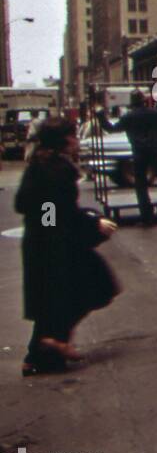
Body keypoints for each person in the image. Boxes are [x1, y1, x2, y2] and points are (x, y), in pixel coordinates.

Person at [15, 117, 120, 376]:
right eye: (73, 136)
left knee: (53, 299)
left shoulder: (38, 165)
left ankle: (39, 354)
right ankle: (54, 343)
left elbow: (27, 205)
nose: (77, 141)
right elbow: (55, 211)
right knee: (97, 285)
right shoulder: (55, 170)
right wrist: (93, 224)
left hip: (44, 241)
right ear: (63, 141)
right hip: (55, 244)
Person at [97, 90, 157, 226]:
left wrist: (100, 116)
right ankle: (150, 212)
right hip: (155, 151)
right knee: (153, 179)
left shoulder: (129, 117)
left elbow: (111, 129)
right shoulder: (154, 114)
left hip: (139, 152)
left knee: (140, 185)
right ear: (144, 101)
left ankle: (147, 215)